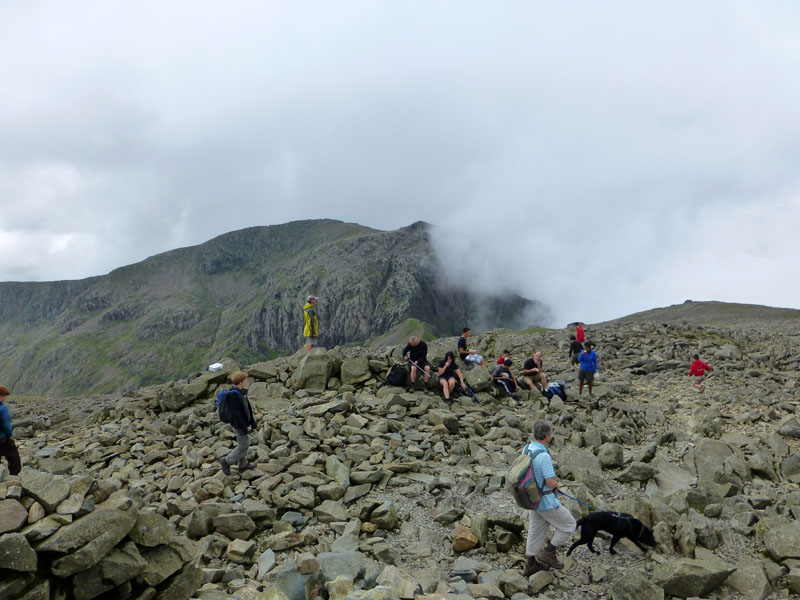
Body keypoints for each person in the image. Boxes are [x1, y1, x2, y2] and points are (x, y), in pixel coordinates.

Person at [522, 419, 576, 574]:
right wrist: (557, 484)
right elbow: (550, 482)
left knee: (536, 529)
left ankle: (530, 564)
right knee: (569, 525)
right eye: (551, 432)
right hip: (545, 500)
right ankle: (549, 552)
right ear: (547, 436)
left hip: (531, 499)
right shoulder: (544, 455)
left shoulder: (527, 448)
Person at [219, 371, 258, 476]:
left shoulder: (241, 392)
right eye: (245, 379)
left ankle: (243, 465)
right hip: (238, 424)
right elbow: (235, 414)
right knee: (243, 445)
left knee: (244, 444)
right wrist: (243, 427)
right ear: (241, 381)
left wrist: (252, 422)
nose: (246, 381)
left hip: (243, 423)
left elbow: (247, 408)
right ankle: (226, 461)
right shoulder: (234, 395)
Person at [0, 385, 22, 476]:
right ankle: (14, 478)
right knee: (14, 459)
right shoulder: (3, 408)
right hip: (3, 439)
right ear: (2, 395)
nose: (5, 399)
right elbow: (6, 425)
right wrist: (10, 434)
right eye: (5, 396)